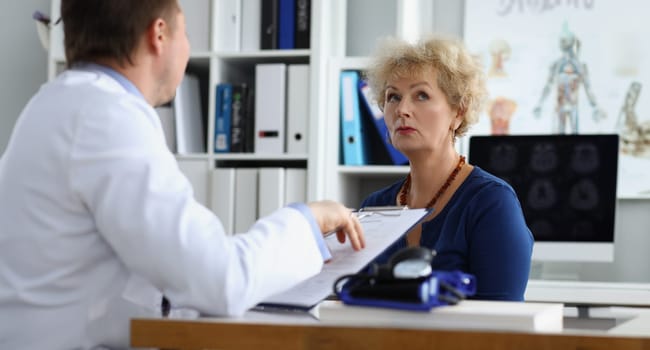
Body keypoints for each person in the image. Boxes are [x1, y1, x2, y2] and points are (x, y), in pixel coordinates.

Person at [0, 1, 364, 348]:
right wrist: (307, 220)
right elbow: (223, 281)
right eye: (185, 32)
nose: (187, 48)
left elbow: (122, 277)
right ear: (158, 35)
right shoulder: (107, 117)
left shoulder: (56, 104)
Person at [361, 35, 533, 301]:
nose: (402, 109)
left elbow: (500, 327)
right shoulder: (374, 207)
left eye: (421, 95)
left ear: (458, 111)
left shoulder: (491, 202)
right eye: (393, 97)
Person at [533, 24, 605, 134]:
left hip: (573, 106)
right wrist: (540, 103)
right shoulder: (556, 65)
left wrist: (595, 106)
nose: (562, 43)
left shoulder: (580, 66)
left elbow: (587, 87)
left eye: (564, 41)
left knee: (574, 136)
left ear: (571, 42)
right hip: (560, 105)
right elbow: (548, 85)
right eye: (561, 41)